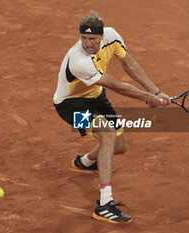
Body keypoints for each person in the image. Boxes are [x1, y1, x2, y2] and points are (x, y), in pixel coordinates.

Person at [53, 11, 170, 223]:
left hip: (96, 97)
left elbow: (131, 65)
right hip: (69, 104)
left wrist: (155, 92)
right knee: (106, 133)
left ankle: (86, 162)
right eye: (83, 38)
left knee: (119, 146)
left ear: (101, 36)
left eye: (92, 39)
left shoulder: (113, 36)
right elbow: (115, 85)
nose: (88, 43)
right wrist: (147, 98)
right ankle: (105, 205)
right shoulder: (79, 60)